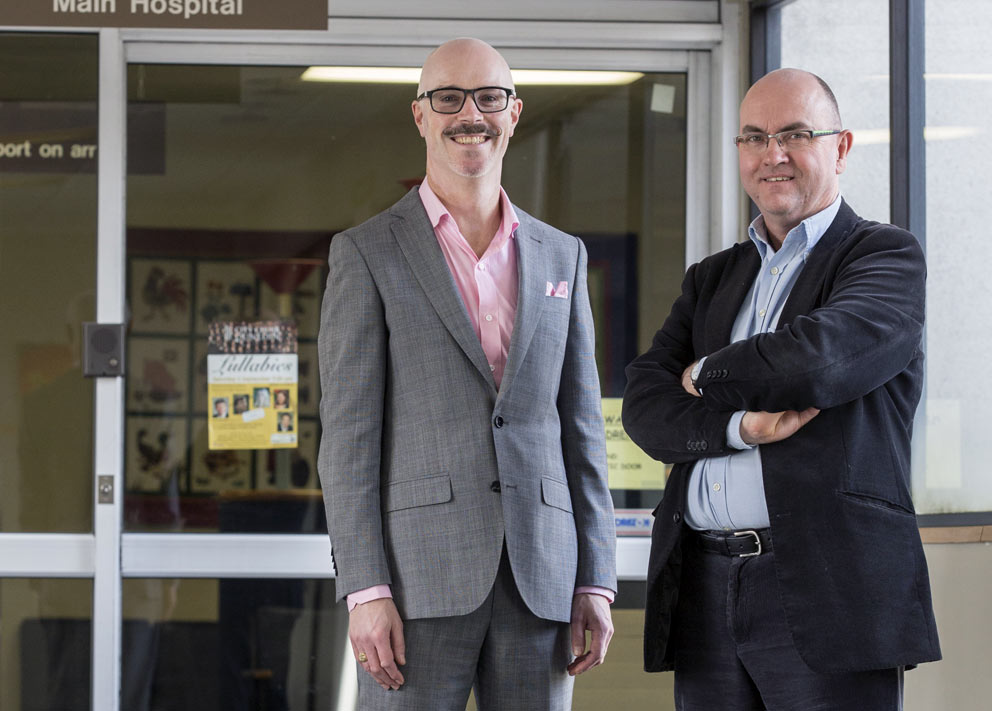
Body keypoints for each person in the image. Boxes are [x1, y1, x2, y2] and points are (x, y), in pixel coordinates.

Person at [621, 68, 941, 709]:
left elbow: (819, 362)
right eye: (755, 138)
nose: (774, 155)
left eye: (796, 134)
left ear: (841, 147)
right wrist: (737, 426)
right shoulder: (712, 278)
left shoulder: (883, 257)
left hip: (827, 590)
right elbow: (644, 406)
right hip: (704, 588)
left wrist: (704, 374)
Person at [317, 38, 616, 711]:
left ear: (514, 113)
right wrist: (366, 588)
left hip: (541, 576)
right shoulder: (366, 254)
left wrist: (596, 575)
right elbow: (349, 439)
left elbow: (582, 429)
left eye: (488, 97)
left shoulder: (561, 256)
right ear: (420, 115)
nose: (469, 114)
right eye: (448, 98)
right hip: (415, 582)